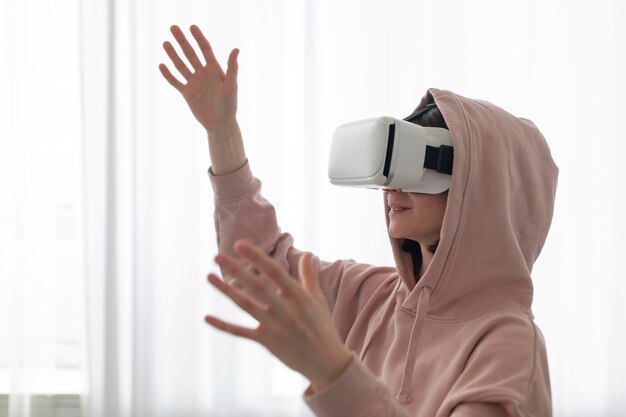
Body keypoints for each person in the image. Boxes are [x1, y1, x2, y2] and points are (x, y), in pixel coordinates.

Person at [159, 24, 558, 417]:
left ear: (480, 187)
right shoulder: (374, 298)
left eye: (412, 167)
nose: (391, 189)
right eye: (390, 170)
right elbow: (261, 267)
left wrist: (334, 372)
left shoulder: (509, 342)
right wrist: (223, 131)